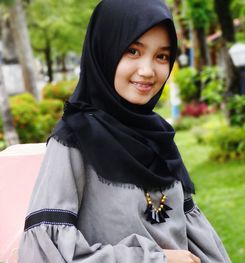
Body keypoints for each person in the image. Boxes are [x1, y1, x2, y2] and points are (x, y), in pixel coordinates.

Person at [18, 0, 232, 262]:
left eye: (161, 56)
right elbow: (47, 252)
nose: (147, 71)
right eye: (132, 51)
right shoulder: (74, 141)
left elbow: (192, 232)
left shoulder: (159, 136)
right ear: (105, 51)